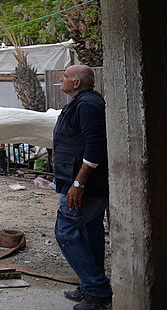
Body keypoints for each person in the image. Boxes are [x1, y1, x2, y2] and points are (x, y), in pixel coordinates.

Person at [53, 65, 112, 310]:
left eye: (65, 76)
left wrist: (79, 183)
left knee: (66, 232)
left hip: (84, 187)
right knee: (90, 234)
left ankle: (97, 291)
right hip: (84, 185)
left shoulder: (87, 105)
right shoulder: (81, 102)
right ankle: (90, 288)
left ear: (76, 83)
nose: (61, 79)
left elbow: (95, 145)